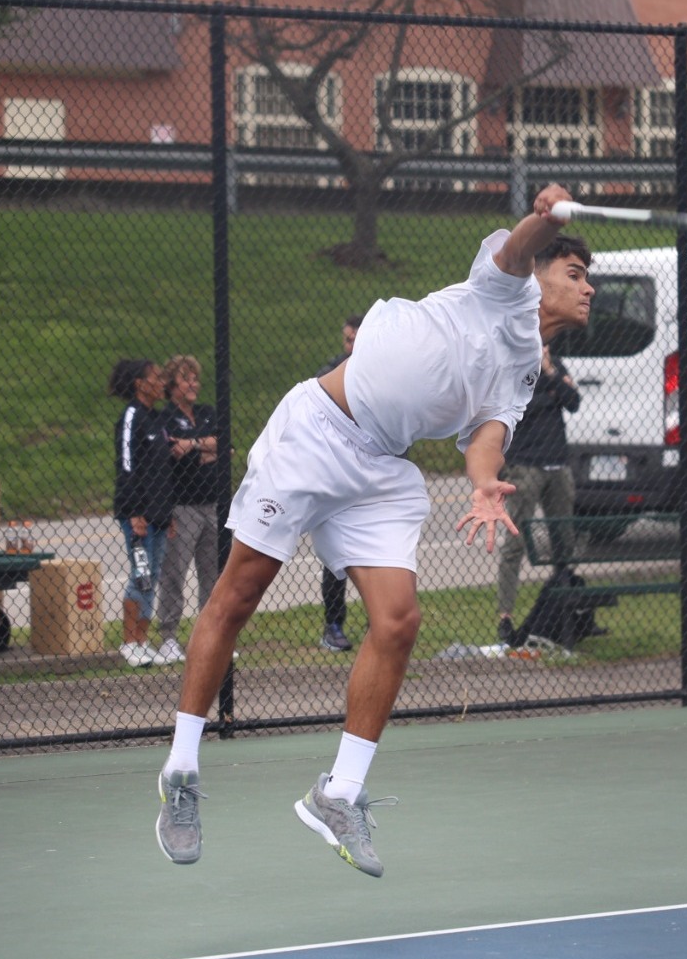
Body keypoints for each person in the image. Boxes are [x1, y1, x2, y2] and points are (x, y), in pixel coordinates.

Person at [155, 185, 593, 877]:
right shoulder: (503, 289)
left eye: (587, 278)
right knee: (239, 594)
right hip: (315, 433)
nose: (587, 288)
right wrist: (545, 214)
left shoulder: (520, 373)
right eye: (575, 273)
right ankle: (181, 771)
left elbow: (487, 438)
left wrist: (483, 481)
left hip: (379, 474)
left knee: (399, 621)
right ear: (541, 277)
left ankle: (340, 792)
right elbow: (517, 245)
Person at [495, 342, 582, 645]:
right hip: (525, 464)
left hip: (558, 462)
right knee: (516, 539)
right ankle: (505, 616)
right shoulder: (513, 368)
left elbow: (573, 402)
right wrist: (553, 394)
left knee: (564, 540)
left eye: (545, 344)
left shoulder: (554, 366)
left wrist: (550, 373)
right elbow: (519, 410)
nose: (542, 348)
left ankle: (562, 610)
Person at [152, 356, 220, 666]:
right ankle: (168, 637)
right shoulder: (164, 417)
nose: (193, 384)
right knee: (174, 573)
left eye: (195, 378)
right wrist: (207, 448)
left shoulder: (207, 413)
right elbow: (170, 451)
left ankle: (210, 638)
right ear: (171, 385)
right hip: (183, 506)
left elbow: (225, 445)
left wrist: (192, 446)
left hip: (213, 504)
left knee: (214, 575)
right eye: (185, 378)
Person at [110, 358, 173, 668]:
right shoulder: (131, 416)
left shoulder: (157, 418)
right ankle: (129, 642)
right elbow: (127, 465)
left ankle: (143, 642)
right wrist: (134, 512)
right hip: (138, 516)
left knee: (154, 577)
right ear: (140, 383)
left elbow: (162, 470)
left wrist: (168, 513)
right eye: (156, 377)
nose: (162, 382)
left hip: (159, 515)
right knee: (141, 575)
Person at [317, 314, 362, 653]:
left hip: (374, 479)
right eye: (347, 340)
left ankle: (382, 622)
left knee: (382, 553)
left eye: (356, 339)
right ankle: (333, 624)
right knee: (337, 557)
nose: (351, 346)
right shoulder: (331, 375)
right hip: (339, 477)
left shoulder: (389, 374)